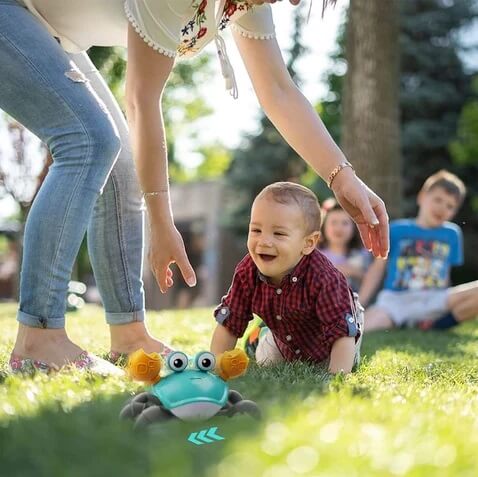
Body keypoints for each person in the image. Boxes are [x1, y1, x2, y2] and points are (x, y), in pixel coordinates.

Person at [1, 0, 387, 373]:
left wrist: (342, 177)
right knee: (89, 139)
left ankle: (129, 335)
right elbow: (141, 100)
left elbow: (278, 92)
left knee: (120, 163)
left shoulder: (247, 4)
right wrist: (160, 221)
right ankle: (39, 339)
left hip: (47, 30)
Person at [210, 182, 364, 374]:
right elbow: (230, 321)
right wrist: (216, 367)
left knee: (344, 364)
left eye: (279, 234)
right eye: (256, 230)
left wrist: (337, 377)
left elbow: (342, 332)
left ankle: (262, 334)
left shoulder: (325, 278)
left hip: (331, 339)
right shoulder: (247, 272)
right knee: (267, 361)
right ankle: (258, 337)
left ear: (308, 243)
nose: (264, 242)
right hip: (285, 338)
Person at [360, 170, 478, 332]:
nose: (442, 208)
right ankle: (409, 322)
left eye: (450, 206)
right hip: (396, 300)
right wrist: (360, 303)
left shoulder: (452, 234)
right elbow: (377, 268)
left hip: (434, 299)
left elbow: (446, 274)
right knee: (362, 327)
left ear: (454, 212)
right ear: (422, 197)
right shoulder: (396, 230)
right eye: (438, 200)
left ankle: (434, 324)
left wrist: (448, 301)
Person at [319, 198, 372, 292]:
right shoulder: (317, 255)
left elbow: (372, 279)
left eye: (345, 223)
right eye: (333, 223)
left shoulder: (362, 253)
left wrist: (354, 271)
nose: (339, 228)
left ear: (354, 228)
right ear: (323, 227)